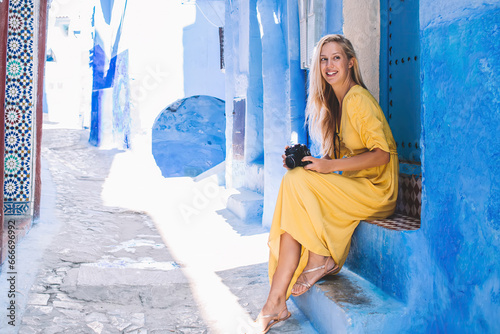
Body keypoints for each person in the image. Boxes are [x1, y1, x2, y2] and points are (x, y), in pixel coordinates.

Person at [255, 34, 399, 333]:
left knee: (296, 185)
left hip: (376, 190)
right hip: (355, 186)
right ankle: (275, 303)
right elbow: (337, 161)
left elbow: (382, 155)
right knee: (295, 185)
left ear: (350, 63)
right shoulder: (337, 103)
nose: (329, 65)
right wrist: (309, 162)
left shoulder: (357, 98)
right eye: (323, 59)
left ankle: (318, 261)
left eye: (336, 58)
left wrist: (328, 166)